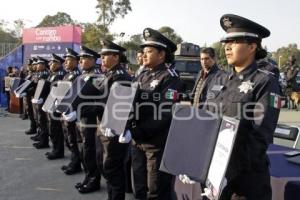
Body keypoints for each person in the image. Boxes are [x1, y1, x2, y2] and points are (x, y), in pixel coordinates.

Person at [202, 14, 281, 199]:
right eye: (226, 42)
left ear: (252, 46)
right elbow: (205, 121)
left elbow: (259, 137)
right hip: (213, 175)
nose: (227, 47)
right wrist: (196, 162)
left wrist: (226, 173)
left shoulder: (265, 82)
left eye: (235, 41)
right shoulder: (219, 79)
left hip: (245, 180)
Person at [121, 28, 182, 200]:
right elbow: (128, 103)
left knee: (156, 189)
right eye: (144, 51)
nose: (144, 54)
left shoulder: (171, 78)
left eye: (149, 51)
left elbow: (165, 113)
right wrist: (122, 125)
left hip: (156, 144)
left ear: (161, 54)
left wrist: (136, 131)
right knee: (138, 186)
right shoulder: (142, 75)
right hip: (137, 141)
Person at [62, 46, 101, 194]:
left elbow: (101, 100)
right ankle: (88, 176)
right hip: (80, 119)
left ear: (92, 60)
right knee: (83, 149)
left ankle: (93, 180)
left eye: (84, 58)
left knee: (89, 150)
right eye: (80, 58)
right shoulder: (83, 75)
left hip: (90, 120)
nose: (80, 61)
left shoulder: (97, 76)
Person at [98, 39, 133, 200]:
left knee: (113, 169)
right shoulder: (110, 74)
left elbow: (121, 108)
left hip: (113, 129)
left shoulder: (121, 77)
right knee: (108, 168)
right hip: (105, 126)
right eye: (102, 55)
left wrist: (121, 128)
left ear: (116, 57)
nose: (102, 58)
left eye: (106, 55)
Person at [60, 48, 82, 175]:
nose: (66, 63)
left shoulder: (78, 75)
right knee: (68, 137)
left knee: (73, 139)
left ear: (76, 61)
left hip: (73, 113)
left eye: (68, 60)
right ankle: (73, 161)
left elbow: (79, 96)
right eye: (65, 61)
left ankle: (76, 163)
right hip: (65, 111)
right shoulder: (67, 74)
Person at [45, 54, 66, 159]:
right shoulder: (54, 73)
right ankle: (55, 149)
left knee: (56, 129)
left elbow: (61, 92)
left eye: (52, 62)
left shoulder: (61, 74)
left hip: (57, 106)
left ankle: (58, 151)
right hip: (52, 103)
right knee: (53, 128)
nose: (50, 64)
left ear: (58, 63)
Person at [32, 56, 50, 149]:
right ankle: (40, 136)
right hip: (37, 99)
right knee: (39, 119)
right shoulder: (39, 74)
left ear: (43, 65)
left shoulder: (46, 74)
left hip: (43, 100)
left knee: (43, 121)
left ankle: (44, 140)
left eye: (39, 64)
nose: (37, 66)